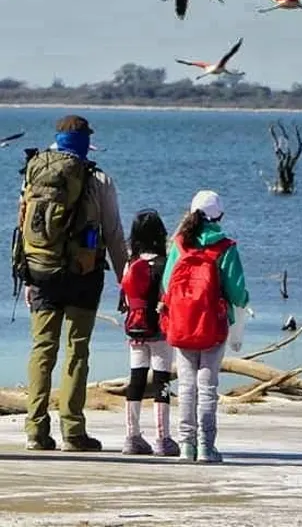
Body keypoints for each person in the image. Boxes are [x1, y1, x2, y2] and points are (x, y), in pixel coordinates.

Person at [14, 115, 128, 452]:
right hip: (83, 275)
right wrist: (127, 282)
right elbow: (114, 233)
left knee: (42, 350)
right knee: (77, 352)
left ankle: (36, 430)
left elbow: (23, 227)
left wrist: (25, 276)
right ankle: (73, 432)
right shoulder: (97, 178)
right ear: (86, 140)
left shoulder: (34, 171)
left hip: (41, 272)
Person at [160, 190, 249, 463]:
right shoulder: (225, 247)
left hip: (182, 324)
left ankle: (186, 445)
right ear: (218, 215)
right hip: (213, 325)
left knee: (186, 385)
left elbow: (166, 284)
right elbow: (238, 293)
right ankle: (206, 447)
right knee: (208, 386)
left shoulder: (179, 244)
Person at [117, 209, 179, 456]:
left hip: (135, 329)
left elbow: (125, 299)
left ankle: (132, 436)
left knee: (136, 379)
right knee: (161, 380)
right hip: (161, 329)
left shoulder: (130, 264)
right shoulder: (165, 264)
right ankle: (163, 438)